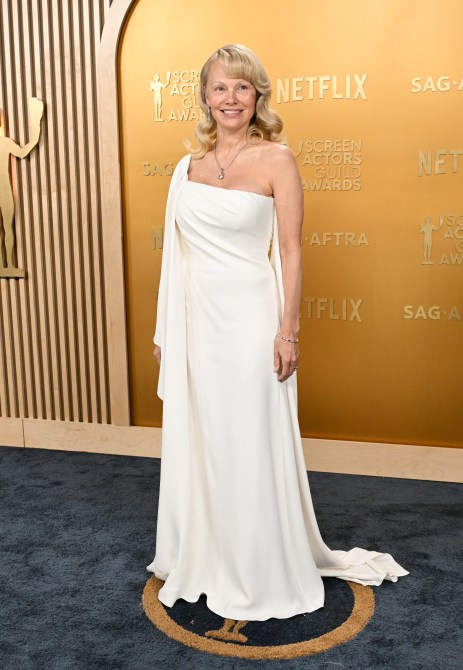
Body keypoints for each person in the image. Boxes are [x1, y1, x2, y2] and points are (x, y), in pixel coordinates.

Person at [146, 44, 408, 621]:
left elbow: (290, 251)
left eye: (242, 87)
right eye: (220, 87)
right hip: (196, 323)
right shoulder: (186, 168)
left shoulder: (277, 159)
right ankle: (210, 552)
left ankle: (258, 562)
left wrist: (288, 332)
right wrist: (167, 331)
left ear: (257, 95)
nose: (231, 98)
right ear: (205, 96)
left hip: (250, 318)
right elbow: (176, 256)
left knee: (247, 437)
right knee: (208, 438)